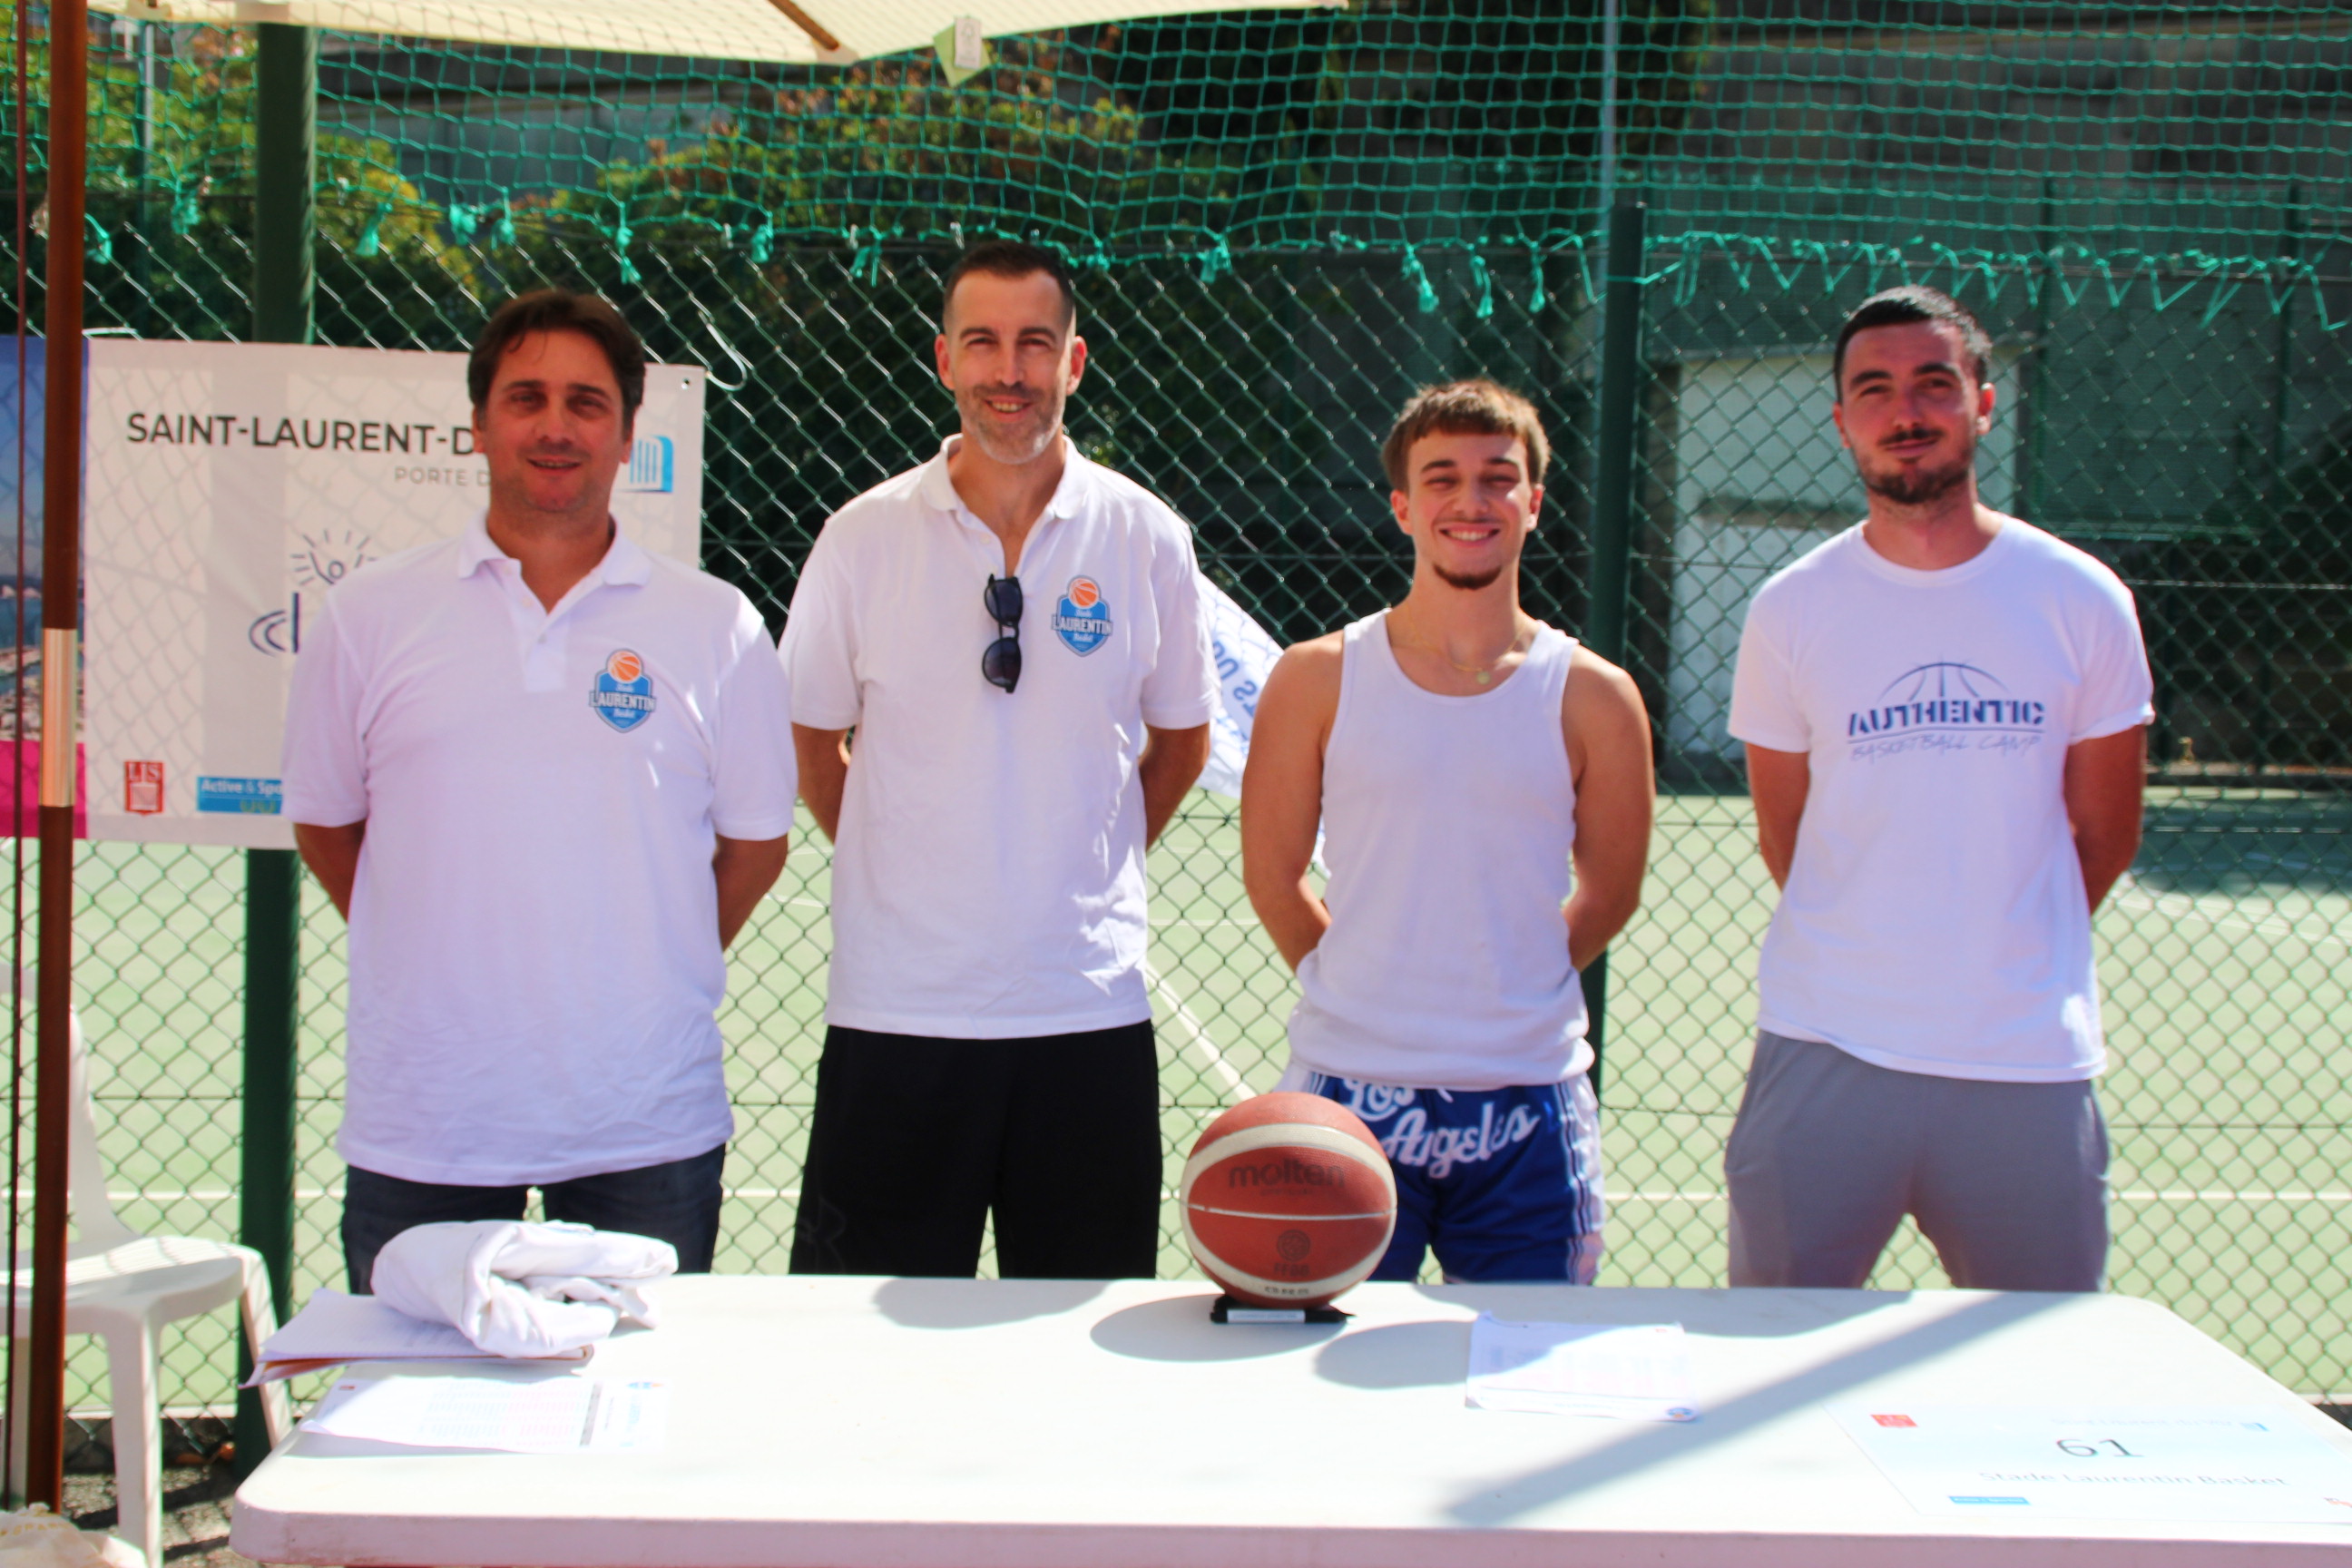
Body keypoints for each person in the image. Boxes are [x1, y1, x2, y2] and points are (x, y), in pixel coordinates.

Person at [282, 289, 798, 1292]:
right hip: (427, 1119)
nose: (555, 426)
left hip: (644, 1120)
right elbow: (329, 824)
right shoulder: (367, 615)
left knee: (637, 1388)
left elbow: (755, 848)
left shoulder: (718, 625)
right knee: (412, 1389)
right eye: (526, 399)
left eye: (586, 403)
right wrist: (436, 944)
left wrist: (641, 962)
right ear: (479, 425)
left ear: (628, 435)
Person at [780, 240, 1216, 1279]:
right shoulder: (861, 537)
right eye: (982, 342)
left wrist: (1088, 859)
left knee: (1073, 1339)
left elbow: (1184, 739)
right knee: (861, 1344)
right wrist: (900, 859)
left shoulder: (1145, 536)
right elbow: (811, 739)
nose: (1008, 372)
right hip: (898, 1013)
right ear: (945, 359)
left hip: (1085, 1010)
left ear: (1074, 361)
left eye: (1034, 343)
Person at [1725, 285, 2152, 1291]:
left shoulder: (2082, 598)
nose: (1905, 412)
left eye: (1933, 383)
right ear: (1842, 421)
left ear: (1983, 403)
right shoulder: (1791, 610)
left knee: (2037, 1373)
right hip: (1824, 1050)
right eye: (1874, 391)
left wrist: (2001, 951)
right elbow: (1790, 837)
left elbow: (2105, 834)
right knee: (1771, 1361)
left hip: (2023, 1062)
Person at [1240, 379, 1654, 1284]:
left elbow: (1612, 890)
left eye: (1498, 478)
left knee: (1522, 1360)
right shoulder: (1316, 678)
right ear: (1401, 507)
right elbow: (1272, 875)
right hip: (1348, 1096)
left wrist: (1514, 983)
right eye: (1442, 479)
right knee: (1319, 1357)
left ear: (1533, 501)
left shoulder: (1596, 696)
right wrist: (1356, 985)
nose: (1472, 501)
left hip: (1529, 1103)